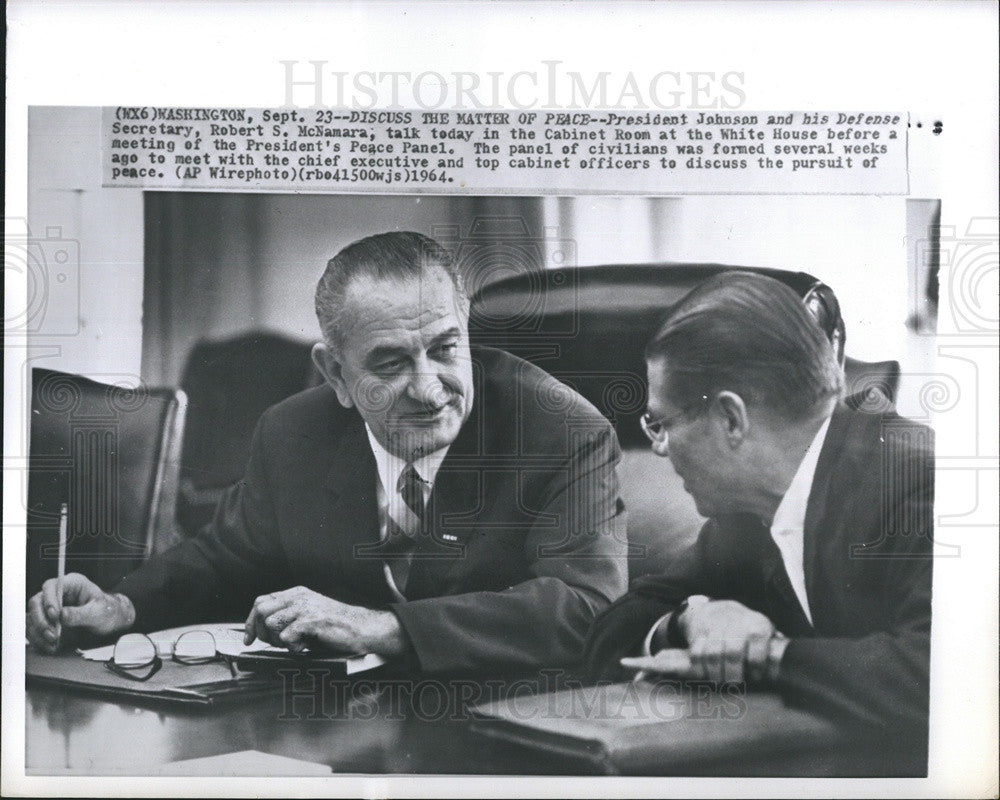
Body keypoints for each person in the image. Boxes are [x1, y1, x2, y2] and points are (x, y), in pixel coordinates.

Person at [27, 231, 628, 677]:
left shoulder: (563, 431)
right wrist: (123, 605)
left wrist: (384, 627)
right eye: (390, 364)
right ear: (335, 374)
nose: (428, 387)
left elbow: (586, 607)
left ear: (466, 330)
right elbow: (225, 557)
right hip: (341, 736)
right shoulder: (291, 433)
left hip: (503, 734)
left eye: (446, 348)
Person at [584, 271, 933, 767]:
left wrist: (763, 655)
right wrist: (694, 618)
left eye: (661, 423)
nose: (658, 449)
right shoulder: (748, 515)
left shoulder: (919, 481)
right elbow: (609, 634)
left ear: (731, 419)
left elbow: (944, 678)